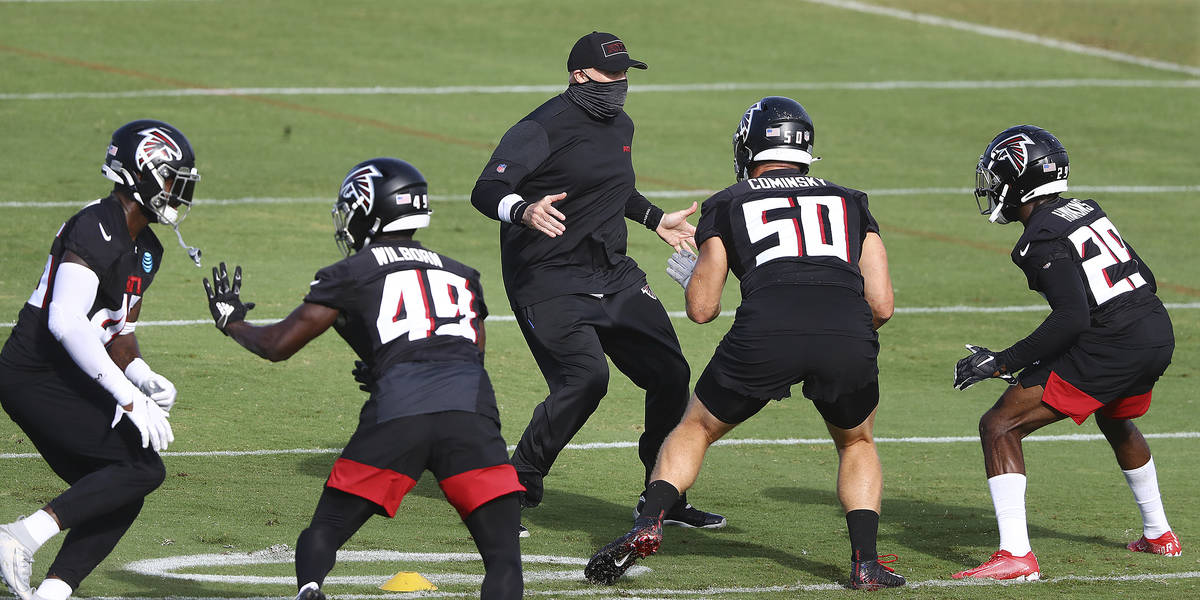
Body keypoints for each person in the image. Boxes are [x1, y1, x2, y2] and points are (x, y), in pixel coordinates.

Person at [585, 97, 904, 591]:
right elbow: (881, 304)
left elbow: (702, 309)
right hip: (846, 329)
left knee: (695, 428)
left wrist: (694, 278)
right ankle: (865, 563)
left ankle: (647, 522)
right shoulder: (850, 201)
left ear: (749, 147)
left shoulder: (730, 201)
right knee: (856, 442)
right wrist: (841, 336)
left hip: (766, 330)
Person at [204, 158, 525, 600]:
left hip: (399, 410)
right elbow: (470, 353)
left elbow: (278, 345)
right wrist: (384, 366)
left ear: (369, 207)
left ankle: (311, 587)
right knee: (503, 559)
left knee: (329, 527)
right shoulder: (462, 274)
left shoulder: (352, 271)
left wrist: (232, 322)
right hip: (469, 410)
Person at [469, 31, 723, 533]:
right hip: (547, 279)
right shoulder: (541, 126)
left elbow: (613, 189)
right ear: (579, 76)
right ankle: (514, 487)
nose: (620, 84)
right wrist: (522, 209)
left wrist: (654, 219)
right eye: (611, 75)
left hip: (614, 274)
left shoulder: (621, 123)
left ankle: (661, 497)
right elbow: (486, 189)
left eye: (626, 75)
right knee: (584, 380)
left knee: (671, 375)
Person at [950, 125, 1180, 581]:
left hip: (1115, 343)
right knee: (1114, 415)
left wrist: (1003, 361)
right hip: (1155, 329)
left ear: (1019, 179)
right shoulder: (1085, 209)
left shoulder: (1039, 240)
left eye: (997, 176)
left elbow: (1071, 318)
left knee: (1000, 425)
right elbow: (1146, 279)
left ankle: (1016, 556)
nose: (992, 186)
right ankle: (1159, 534)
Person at [0, 120, 200, 600]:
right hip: (34, 373)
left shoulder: (146, 247)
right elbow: (65, 322)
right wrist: (127, 399)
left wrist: (141, 373)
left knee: (124, 484)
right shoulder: (97, 224)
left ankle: (52, 592)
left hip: (66, 375)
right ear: (140, 173)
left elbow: (117, 331)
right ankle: (17, 538)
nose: (178, 190)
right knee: (141, 469)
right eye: (172, 177)